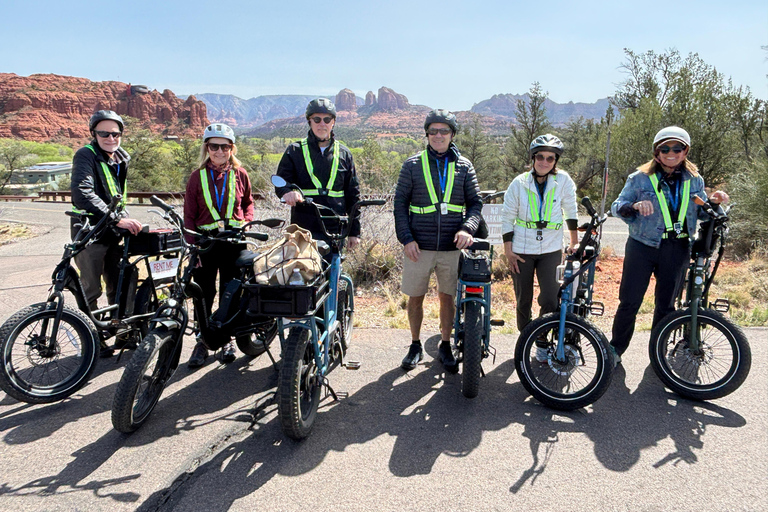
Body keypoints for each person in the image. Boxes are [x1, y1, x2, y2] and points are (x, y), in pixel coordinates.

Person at [610, 126, 729, 364]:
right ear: (656, 152)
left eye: (677, 148)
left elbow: (703, 213)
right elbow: (616, 206)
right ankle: (615, 351)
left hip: (677, 248)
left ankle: (658, 354)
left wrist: (716, 203)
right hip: (642, 246)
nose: (670, 153)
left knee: (666, 305)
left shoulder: (694, 180)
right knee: (629, 302)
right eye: (665, 148)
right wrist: (633, 207)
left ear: (685, 152)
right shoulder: (639, 178)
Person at [394, 109, 483, 372]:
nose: (438, 135)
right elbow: (400, 205)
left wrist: (468, 228)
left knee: (448, 297)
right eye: (433, 131)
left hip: (451, 246)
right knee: (415, 297)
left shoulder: (464, 166)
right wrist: (406, 238)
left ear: (452, 134)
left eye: (444, 131)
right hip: (418, 246)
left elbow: (476, 204)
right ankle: (414, 344)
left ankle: (445, 344)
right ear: (427, 134)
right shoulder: (412, 164)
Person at [71, 110, 143, 357]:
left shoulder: (121, 157)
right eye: (104, 133)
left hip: (113, 232)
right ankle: (93, 337)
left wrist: (126, 218)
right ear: (94, 133)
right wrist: (118, 219)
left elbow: (116, 196)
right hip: (90, 232)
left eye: (115, 133)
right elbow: (83, 193)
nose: (111, 138)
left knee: (120, 283)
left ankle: (122, 332)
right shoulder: (85, 155)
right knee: (91, 289)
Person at [500, 134, 579, 360]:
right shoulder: (519, 183)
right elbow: (507, 217)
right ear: (533, 158)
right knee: (523, 298)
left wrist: (573, 241)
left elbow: (571, 211)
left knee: (550, 298)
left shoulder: (563, 181)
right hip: (522, 248)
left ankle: (542, 340)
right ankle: (526, 337)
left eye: (550, 158)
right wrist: (508, 249)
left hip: (551, 248)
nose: (545, 162)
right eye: (541, 157)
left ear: (555, 161)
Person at [184, 123, 255, 367]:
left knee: (231, 291)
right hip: (206, 242)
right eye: (214, 146)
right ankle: (202, 342)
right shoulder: (197, 177)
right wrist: (193, 247)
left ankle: (226, 339)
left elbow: (248, 203)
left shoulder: (240, 173)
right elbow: (189, 216)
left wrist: (246, 221)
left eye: (225, 146)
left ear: (232, 148)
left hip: (234, 241)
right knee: (203, 293)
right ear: (207, 148)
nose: (219, 151)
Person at [274, 98, 361, 249]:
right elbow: (281, 182)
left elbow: (353, 194)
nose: (322, 124)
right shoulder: (295, 151)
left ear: (333, 122)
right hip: (304, 227)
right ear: (309, 121)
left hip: (335, 228)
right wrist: (288, 192)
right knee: (302, 271)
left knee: (333, 270)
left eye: (327, 119)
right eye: (317, 119)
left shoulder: (344, 154)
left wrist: (354, 232)